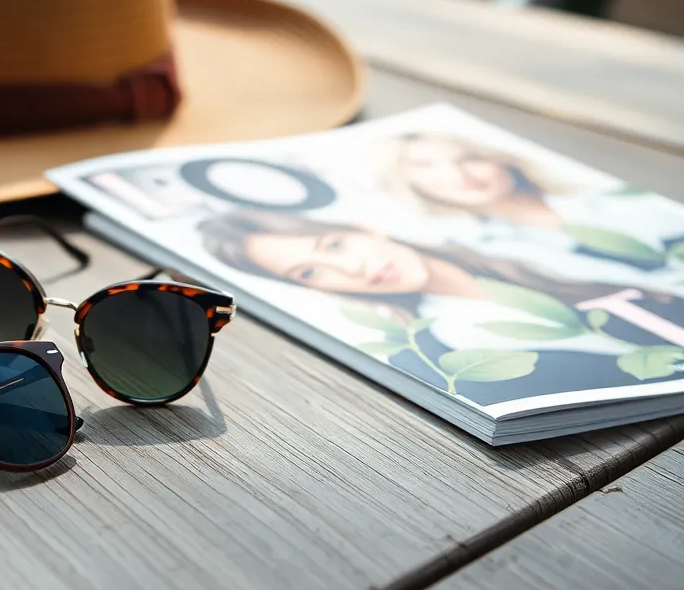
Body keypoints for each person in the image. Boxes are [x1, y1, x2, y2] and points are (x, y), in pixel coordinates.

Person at [198, 210, 684, 404]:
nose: (352, 270)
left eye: (334, 245)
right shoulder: (451, 346)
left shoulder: (514, 241)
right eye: (309, 272)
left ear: (364, 229)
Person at [373, 132, 684, 287]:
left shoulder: (598, 195)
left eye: (469, 158)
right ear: (409, 183)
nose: (459, 176)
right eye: (425, 166)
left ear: (499, 158)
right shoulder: (483, 247)